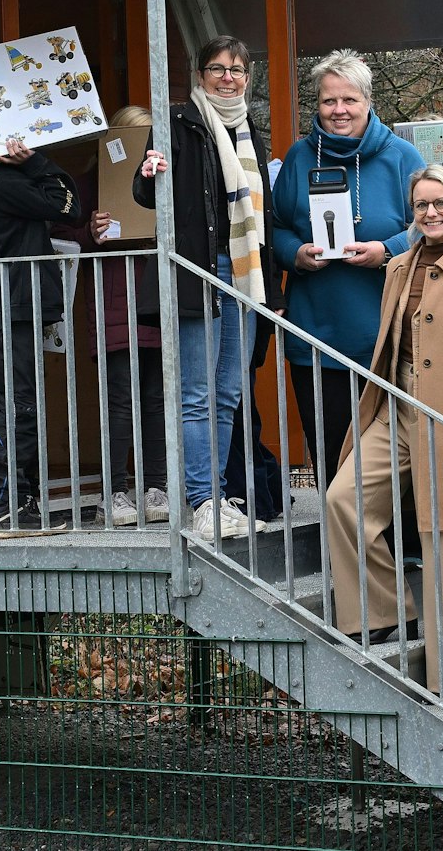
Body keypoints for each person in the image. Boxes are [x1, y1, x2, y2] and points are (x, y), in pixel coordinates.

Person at [325, 164, 443, 700]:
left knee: (442, 542)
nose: (431, 213)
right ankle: (381, 611)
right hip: (396, 409)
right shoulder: (398, 267)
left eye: (441, 203)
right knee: (343, 497)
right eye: (422, 204)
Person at [135, 37, 279, 543]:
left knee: (228, 393)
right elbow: (144, 188)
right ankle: (201, 501)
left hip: (244, 270)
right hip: (199, 269)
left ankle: (218, 497)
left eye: (236, 69)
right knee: (196, 393)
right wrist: (149, 172)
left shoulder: (247, 130)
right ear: (199, 75)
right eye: (216, 69)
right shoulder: (177, 121)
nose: (227, 78)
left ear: (247, 77)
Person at [270, 50, 425, 483]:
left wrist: (387, 250)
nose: (339, 110)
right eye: (328, 101)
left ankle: (399, 548)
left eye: (349, 100)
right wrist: (295, 254)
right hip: (315, 337)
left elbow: (431, 225)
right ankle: (341, 550)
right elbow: (276, 226)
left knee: (393, 465)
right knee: (333, 457)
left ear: (368, 101)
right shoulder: (299, 158)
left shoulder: (402, 157)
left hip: (387, 340)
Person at [0, 140, 85, 530]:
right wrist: (37, 163)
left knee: (15, 400)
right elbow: (69, 206)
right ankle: (6, 506)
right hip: (13, 299)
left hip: (6, 299)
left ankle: (17, 501)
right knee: (16, 403)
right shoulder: (5, 181)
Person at [61, 106, 168, 528]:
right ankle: (113, 493)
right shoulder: (90, 184)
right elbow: (60, 234)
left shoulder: (168, 177)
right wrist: (89, 231)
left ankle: (156, 486)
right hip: (113, 304)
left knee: (158, 399)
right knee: (120, 401)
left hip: (158, 301)